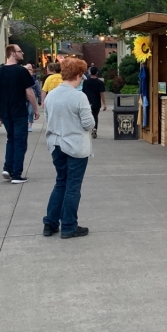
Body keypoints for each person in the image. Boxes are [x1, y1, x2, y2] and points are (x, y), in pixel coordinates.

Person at [42, 57, 95, 239]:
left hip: (56, 143)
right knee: (73, 186)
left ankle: (50, 223)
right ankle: (69, 225)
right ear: (79, 74)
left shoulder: (51, 95)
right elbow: (88, 123)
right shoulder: (79, 96)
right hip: (75, 145)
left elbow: (47, 118)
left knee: (61, 182)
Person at [0, 44, 40, 183]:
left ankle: (7, 167)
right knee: (20, 142)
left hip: (5, 111)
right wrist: (36, 109)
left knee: (11, 139)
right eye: (20, 51)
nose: (23, 53)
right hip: (19, 110)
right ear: (13, 53)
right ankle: (16, 173)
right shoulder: (22, 71)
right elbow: (29, 92)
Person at [81, 65, 107, 139]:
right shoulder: (100, 82)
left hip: (87, 102)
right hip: (96, 102)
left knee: (88, 115)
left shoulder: (85, 82)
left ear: (90, 72)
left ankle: (88, 129)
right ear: (97, 72)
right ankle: (94, 128)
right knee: (95, 115)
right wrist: (104, 104)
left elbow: (83, 92)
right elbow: (101, 94)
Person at [25, 63, 43, 132]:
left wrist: (39, 100)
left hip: (32, 99)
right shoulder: (22, 80)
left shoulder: (35, 81)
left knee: (31, 112)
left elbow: (38, 91)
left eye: (30, 71)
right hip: (24, 99)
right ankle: (26, 124)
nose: (29, 72)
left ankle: (30, 124)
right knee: (25, 112)